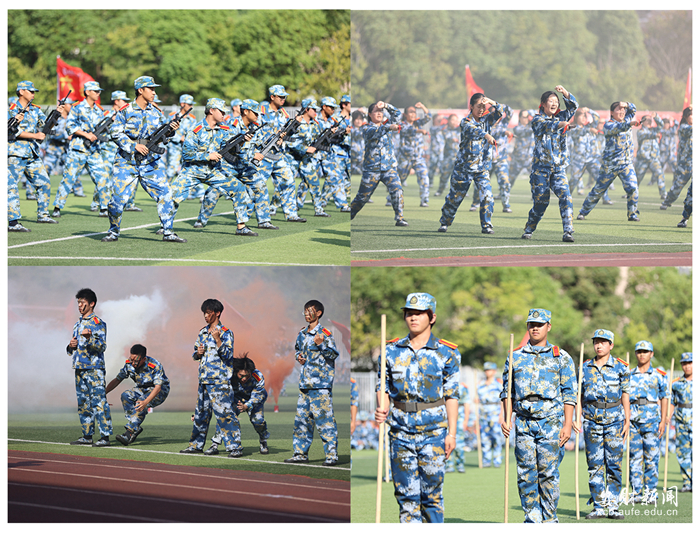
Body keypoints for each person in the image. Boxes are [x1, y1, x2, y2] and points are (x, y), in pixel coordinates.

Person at [374, 292, 459, 523]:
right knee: (406, 496)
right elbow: (383, 387)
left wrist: (452, 434)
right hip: (400, 431)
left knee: (431, 497)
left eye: (419, 313)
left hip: (434, 432)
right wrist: (381, 408)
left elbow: (452, 395)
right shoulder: (391, 351)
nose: (413, 318)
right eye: (409, 313)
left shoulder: (447, 352)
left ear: (431, 317)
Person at [500, 308, 577, 523]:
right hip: (523, 421)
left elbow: (570, 393)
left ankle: (549, 517)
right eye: (531, 324)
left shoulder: (561, 357)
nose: (535, 328)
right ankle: (532, 517)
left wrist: (568, 424)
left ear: (548, 327)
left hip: (550, 421)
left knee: (548, 472)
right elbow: (507, 391)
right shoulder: (515, 356)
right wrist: (506, 417)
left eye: (540, 324)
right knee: (526, 473)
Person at [102, 75, 185, 243]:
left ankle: (168, 232)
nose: (154, 92)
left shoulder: (157, 113)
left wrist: (171, 130)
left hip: (150, 164)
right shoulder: (125, 111)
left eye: (155, 89)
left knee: (166, 195)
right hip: (126, 162)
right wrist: (134, 146)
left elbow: (164, 136)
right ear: (141, 90)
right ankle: (113, 231)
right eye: (151, 89)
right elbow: (115, 132)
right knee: (117, 200)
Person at [169, 98, 257, 236]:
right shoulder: (196, 129)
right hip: (193, 171)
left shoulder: (224, 129)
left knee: (239, 188)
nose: (224, 114)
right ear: (211, 111)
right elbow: (187, 154)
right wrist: (208, 156)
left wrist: (241, 143)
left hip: (214, 171)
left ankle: (241, 227)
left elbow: (229, 150)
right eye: (221, 111)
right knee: (172, 197)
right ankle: (166, 228)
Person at [195, 99, 278, 230]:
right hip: (229, 165)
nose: (257, 116)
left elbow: (260, 144)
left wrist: (276, 140)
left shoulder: (254, 127)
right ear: (246, 112)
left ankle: (264, 220)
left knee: (260, 186)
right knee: (214, 190)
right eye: (255, 113)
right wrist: (252, 155)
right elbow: (231, 148)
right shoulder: (232, 126)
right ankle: (202, 219)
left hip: (245, 166)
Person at [578, 329, 630, 519]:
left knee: (614, 464)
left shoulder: (621, 367)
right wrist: (577, 417)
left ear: (611, 345)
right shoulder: (585, 367)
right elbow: (578, 396)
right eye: (596, 342)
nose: (598, 345)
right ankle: (599, 505)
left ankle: (613, 506)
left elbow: (625, 393)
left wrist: (627, 418)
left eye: (603, 342)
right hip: (591, 419)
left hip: (615, 420)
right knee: (594, 464)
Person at [180, 299, 243, 457]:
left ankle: (235, 447)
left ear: (217, 313)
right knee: (201, 415)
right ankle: (195, 445)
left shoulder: (226, 332)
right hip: (204, 381)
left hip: (219, 381)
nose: (206, 316)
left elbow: (229, 356)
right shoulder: (202, 332)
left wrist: (218, 339)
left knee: (225, 415)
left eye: (208, 313)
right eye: (204, 313)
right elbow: (196, 354)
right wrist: (198, 353)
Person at [438, 93, 504, 234]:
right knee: (455, 197)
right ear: (471, 106)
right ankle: (445, 221)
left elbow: (500, 112)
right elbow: (474, 130)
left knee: (487, 196)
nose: (481, 109)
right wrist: (486, 135)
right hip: (464, 168)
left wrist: (491, 101)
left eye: (483, 106)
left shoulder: (487, 120)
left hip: (482, 168)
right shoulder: (465, 122)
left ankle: (486, 225)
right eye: (478, 106)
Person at [285, 299, 340, 466]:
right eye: (305, 311)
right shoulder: (301, 334)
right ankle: (300, 454)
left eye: (310, 311)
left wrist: (321, 345)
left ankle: (331, 456)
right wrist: (299, 357)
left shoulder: (325, 334)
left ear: (319, 313)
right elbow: (297, 350)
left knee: (325, 422)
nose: (307, 314)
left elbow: (333, 354)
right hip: (305, 385)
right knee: (302, 421)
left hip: (320, 385)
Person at [522, 86, 578, 242]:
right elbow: (548, 126)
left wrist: (565, 93)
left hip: (558, 169)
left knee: (566, 196)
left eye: (556, 101)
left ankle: (568, 231)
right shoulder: (537, 119)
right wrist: (562, 124)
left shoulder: (561, 115)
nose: (554, 104)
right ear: (543, 104)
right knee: (541, 203)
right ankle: (529, 228)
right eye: (550, 101)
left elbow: (574, 106)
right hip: (541, 170)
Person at [8, 80, 64, 232]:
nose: (33, 94)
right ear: (21, 92)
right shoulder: (11, 108)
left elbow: (45, 125)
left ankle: (43, 215)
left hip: (31, 152)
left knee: (44, 182)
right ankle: (12, 222)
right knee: (10, 187)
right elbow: (11, 130)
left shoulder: (35, 109)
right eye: (30, 91)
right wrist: (35, 135)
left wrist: (56, 114)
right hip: (15, 153)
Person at [52, 81, 112, 219]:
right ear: (87, 92)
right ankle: (57, 207)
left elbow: (104, 130)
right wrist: (87, 135)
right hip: (78, 150)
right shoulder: (77, 108)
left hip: (94, 151)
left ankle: (103, 207)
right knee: (69, 179)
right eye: (95, 91)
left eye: (99, 91)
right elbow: (70, 126)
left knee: (103, 178)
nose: (98, 93)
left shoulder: (100, 110)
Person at [577, 101, 640, 223]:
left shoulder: (626, 118)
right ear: (611, 112)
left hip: (626, 164)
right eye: (618, 109)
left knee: (633, 188)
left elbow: (633, 109)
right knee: (599, 189)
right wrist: (630, 123)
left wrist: (626, 104)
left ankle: (632, 214)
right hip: (610, 165)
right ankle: (583, 212)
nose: (622, 112)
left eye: (623, 110)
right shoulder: (608, 125)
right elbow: (619, 127)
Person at [349, 101, 407, 226]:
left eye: (380, 111)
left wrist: (386, 105)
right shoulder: (366, 128)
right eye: (376, 111)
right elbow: (377, 132)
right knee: (362, 198)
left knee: (397, 190)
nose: (379, 113)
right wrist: (389, 127)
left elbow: (397, 114)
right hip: (372, 169)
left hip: (389, 168)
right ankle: (350, 215)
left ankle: (399, 218)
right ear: (370, 114)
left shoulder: (387, 123)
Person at [67, 288, 112, 447]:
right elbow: (72, 348)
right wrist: (70, 346)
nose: (79, 305)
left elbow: (102, 346)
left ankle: (105, 437)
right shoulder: (77, 324)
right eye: (78, 302)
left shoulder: (97, 323)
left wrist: (90, 338)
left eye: (82, 303)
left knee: (99, 402)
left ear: (92, 304)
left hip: (94, 369)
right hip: (79, 368)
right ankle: (87, 435)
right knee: (83, 403)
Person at [256, 84, 306, 223]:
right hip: (263, 155)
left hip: (278, 155)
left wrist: (295, 124)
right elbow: (255, 130)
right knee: (257, 186)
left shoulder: (283, 113)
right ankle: (257, 217)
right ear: (272, 97)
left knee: (289, 181)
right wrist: (271, 138)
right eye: (280, 97)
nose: (283, 99)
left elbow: (288, 132)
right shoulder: (261, 111)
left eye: (284, 97)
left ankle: (291, 214)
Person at [627, 340, 668, 504]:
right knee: (634, 458)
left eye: (645, 351)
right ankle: (636, 492)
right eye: (639, 351)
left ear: (651, 354)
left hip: (652, 420)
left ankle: (650, 493)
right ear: (636, 354)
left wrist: (664, 420)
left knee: (651, 458)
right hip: (633, 421)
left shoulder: (659, 375)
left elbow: (665, 397)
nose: (642, 354)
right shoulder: (629, 374)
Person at [105, 343, 170, 445]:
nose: (133, 363)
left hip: (159, 391)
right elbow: (117, 379)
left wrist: (145, 402)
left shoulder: (154, 365)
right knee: (125, 395)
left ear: (143, 359)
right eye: (131, 359)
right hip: (142, 389)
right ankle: (135, 426)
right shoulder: (129, 364)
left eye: (136, 361)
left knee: (140, 403)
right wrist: (104, 393)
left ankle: (129, 433)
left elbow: (158, 388)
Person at [207, 355, 270, 455]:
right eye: (241, 375)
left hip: (253, 399)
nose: (244, 378)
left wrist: (247, 405)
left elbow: (258, 394)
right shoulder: (230, 374)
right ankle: (214, 445)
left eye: (247, 375)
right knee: (225, 417)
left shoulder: (257, 376)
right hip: (236, 399)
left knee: (258, 421)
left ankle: (263, 440)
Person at [287, 98, 331, 217]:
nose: (316, 111)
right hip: (293, 158)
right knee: (287, 184)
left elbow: (319, 137)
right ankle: (272, 209)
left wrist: (331, 133)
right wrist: (305, 148)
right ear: (306, 109)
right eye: (313, 109)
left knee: (314, 183)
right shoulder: (295, 123)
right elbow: (288, 141)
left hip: (306, 159)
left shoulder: (315, 124)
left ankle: (319, 209)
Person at [396, 102, 432, 207]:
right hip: (405, 158)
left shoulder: (418, 123)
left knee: (424, 178)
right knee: (399, 180)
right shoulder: (402, 124)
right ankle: (391, 198)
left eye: (414, 112)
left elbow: (428, 117)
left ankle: (424, 200)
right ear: (406, 114)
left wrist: (423, 107)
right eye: (410, 112)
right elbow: (409, 130)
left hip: (418, 158)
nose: (413, 114)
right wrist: (420, 131)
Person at [661, 106, 692, 210]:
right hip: (686, 163)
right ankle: (667, 201)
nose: (693, 117)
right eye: (691, 115)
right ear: (686, 117)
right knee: (678, 186)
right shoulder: (684, 127)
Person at [670, 352, 692, 493]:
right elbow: (672, 402)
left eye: (689, 363)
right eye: (684, 363)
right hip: (681, 421)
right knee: (683, 452)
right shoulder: (676, 384)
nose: (687, 366)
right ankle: (687, 482)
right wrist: (667, 417)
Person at [477, 361, 505, 468]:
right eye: (486, 370)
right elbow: (477, 399)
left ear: (494, 371)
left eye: (489, 370)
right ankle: (486, 460)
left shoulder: (498, 384)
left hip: (495, 412)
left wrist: (501, 414)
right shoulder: (480, 385)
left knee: (497, 437)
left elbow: (502, 400)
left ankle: (497, 460)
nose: (487, 372)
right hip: (483, 414)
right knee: (484, 438)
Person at [634, 114, 666, 200]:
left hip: (653, 159)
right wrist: (654, 135)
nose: (649, 121)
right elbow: (645, 136)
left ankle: (663, 193)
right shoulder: (640, 131)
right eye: (647, 120)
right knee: (637, 178)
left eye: (650, 120)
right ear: (643, 121)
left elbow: (661, 124)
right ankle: (631, 193)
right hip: (642, 160)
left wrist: (655, 116)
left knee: (660, 173)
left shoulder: (654, 130)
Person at [165, 94, 197, 180]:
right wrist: (180, 138)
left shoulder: (192, 119)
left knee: (188, 172)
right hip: (174, 147)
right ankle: (165, 190)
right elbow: (166, 132)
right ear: (182, 104)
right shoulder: (172, 116)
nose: (191, 106)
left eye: (192, 104)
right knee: (171, 171)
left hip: (187, 148)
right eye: (189, 104)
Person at [433, 114, 460, 197]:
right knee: (444, 175)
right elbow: (438, 135)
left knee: (459, 176)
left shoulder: (460, 130)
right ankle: (440, 190)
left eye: (456, 120)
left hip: (459, 157)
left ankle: (460, 192)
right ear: (448, 121)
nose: (454, 122)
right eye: (452, 120)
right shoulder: (444, 130)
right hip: (448, 157)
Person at [508, 109, 535, 187]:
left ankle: (538, 197)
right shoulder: (517, 128)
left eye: (528, 117)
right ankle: (503, 194)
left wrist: (530, 113)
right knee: (510, 179)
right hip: (518, 159)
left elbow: (537, 119)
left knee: (536, 179)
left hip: (530, 159)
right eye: (524, 117)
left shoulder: (532, 126)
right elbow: (528, 130)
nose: (526, 119)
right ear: (519, 118)